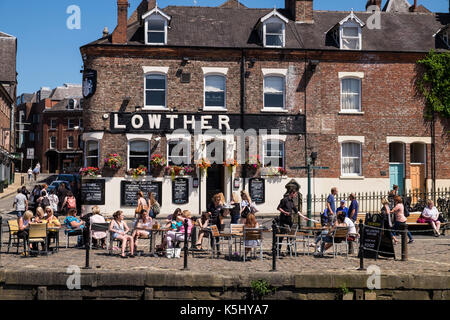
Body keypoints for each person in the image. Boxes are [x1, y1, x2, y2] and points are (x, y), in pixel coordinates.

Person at [277, 189, 298, 256]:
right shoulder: (284, 200)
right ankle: (278, 250)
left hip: (289, 220)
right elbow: (279, 208)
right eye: (295, 194)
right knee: (282, 235)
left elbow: (296, 211)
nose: (295, 195)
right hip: (283, 220)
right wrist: (285, 212)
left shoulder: (292, 201)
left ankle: (289, 249)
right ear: (292, 193)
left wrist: (304, 217)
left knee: (291, 234)